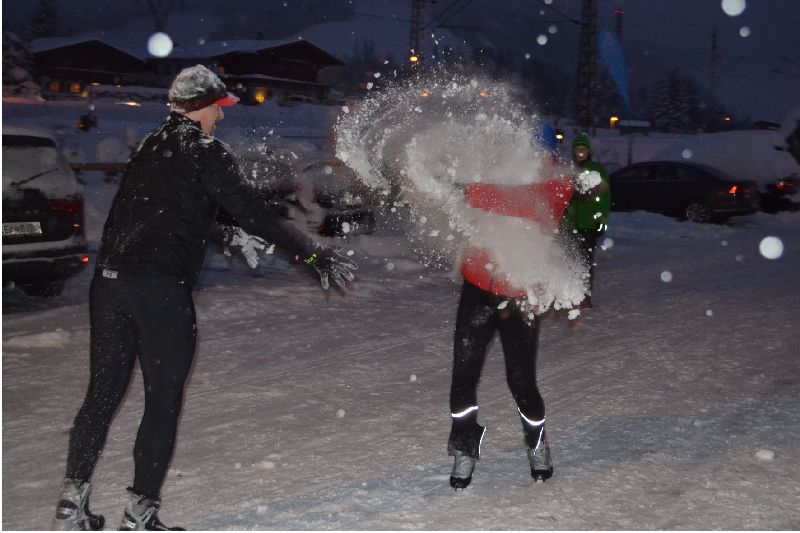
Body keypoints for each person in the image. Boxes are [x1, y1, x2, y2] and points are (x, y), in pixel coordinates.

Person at [52, 64, 356, 531]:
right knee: (162, 400)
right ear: (199, 108)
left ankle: (71, 507)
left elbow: (172, 210)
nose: (221, 115)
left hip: (110, 285)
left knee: (101, 396)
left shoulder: (151, 145)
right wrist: (311, 253)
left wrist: (226, 232)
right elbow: (253, 211)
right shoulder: (206, 151)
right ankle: (139, 513)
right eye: (218, 107)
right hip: (159, 291)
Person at [447, 124, 573, 489]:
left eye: (541, 153)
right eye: (528, 150)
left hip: (519, 299)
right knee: (463, 377)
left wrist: (470, 190)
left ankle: (537, 444)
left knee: (521, 381)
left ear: (550, 157)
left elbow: (524, 203)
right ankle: (464, 449)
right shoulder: (496, 173)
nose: (534, 159)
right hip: (477, 290)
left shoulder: (558, 186)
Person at [561, 132, 610, 307]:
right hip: (569, 224)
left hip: (588, 225)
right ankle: (568, 296)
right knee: (569, 261)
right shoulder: (568, 170)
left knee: (585, 262)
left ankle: (584, 297)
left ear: (589, 152)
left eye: (583, 149)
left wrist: (601, 220)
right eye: (578, 149)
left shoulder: (597, 171)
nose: (580, 152)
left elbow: (604, 198)